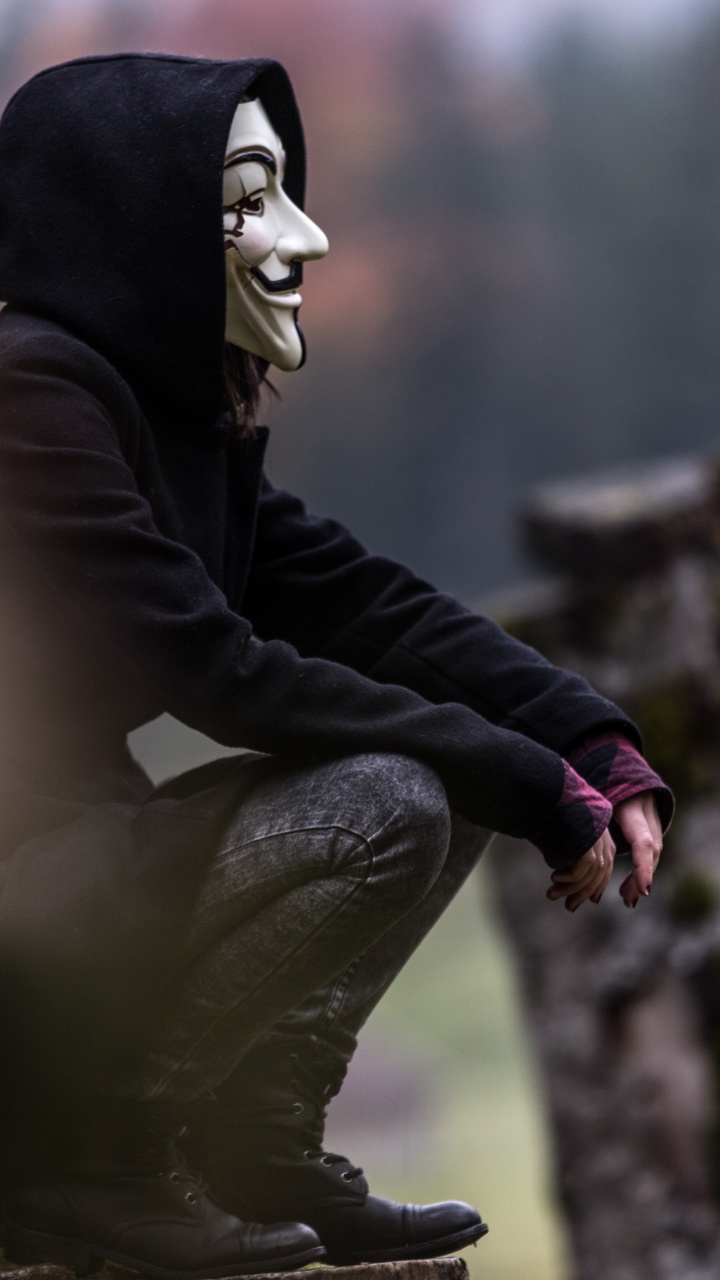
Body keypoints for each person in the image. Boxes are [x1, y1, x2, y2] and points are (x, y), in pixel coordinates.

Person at [0, 51, 672, 1279]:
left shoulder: (161, 413)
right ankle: (87, 1163)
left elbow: (365, 601)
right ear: (131, 221)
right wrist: (520, 776)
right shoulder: (28, 393)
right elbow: (216, 669)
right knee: (400, 792)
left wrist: (587, 739)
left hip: (68, 887)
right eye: (250, 202)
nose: (303, 238)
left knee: (446, 750)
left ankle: (254, 1144)